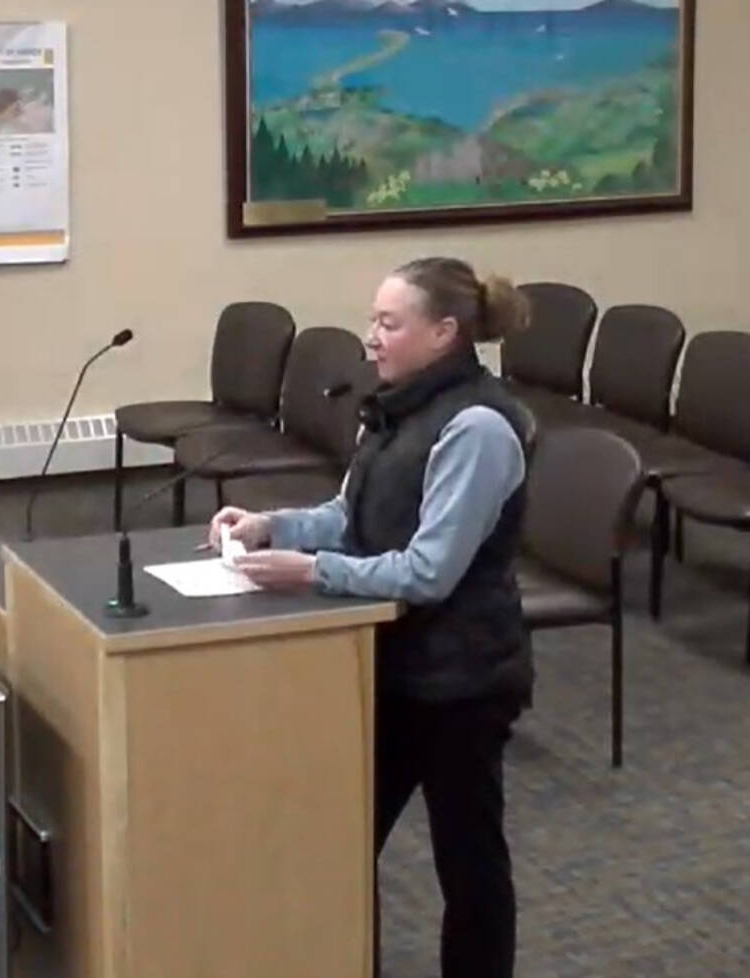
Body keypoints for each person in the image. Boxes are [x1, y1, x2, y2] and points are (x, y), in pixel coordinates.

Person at [207, 256, 532, 978]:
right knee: (343, 841)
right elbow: (349, 516)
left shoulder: (478, 428)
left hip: (463, 679)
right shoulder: (395, 408)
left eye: (389, 323)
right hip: (393, 664)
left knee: (469, 862)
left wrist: (315, 571)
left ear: (444, 332)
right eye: (372, 321)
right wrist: (272, 527)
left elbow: (428, 571)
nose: (372, 339)